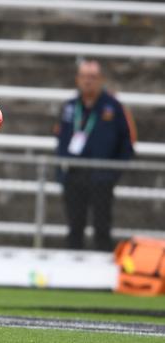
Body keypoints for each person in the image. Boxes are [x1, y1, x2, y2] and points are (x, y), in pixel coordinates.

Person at [55, 60, 134, 251]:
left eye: (92, 77)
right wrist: (61, 174)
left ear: (101, 80)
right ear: (77, 80)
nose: (88, 81)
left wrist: (112, 174)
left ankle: (102, 275)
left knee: (102, 227)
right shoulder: (70, 107)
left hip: (102, 177)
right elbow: (61, 140)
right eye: (84, 77)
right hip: (75, 176)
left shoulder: (114, 107)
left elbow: (127, 143)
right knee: (74, 227)